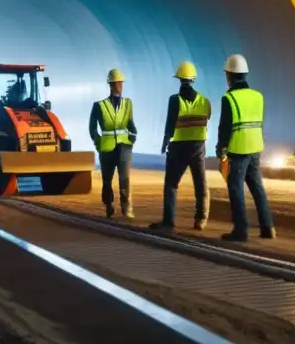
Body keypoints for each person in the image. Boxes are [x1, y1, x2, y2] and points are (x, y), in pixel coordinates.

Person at [216, 54, 275, 242]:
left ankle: (241, 230)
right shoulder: (258, 96)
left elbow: (224, 127)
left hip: (238, 149)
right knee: (257, 188)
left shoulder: (229, 98)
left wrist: (221, 149)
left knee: (236, 188)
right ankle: (268, 228)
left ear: (230, 76)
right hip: (255, 148)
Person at [149, 61, 211, 233]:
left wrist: (164, 142)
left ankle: (168, 222)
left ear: (179, 80)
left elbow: (170, 124)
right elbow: (207, 119)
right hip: (198, 147)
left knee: (171, 184)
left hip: (179, 147)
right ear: (193, 79)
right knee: (200, 183)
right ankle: (200, 220)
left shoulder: (174, 100)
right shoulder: (204, 101)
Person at [88, 68, 137, 219]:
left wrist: (133, 137)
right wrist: (98, 142)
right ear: (111, 84)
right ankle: (109, 204)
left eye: (121, 82)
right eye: (117, 83)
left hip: (124, 145)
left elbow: (130, 123)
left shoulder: (128, 103)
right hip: (106, 147)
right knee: (107, 180)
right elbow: (92, 127)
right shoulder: (99, 105)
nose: (120, 85)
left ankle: (126, 208)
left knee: (125, 178)